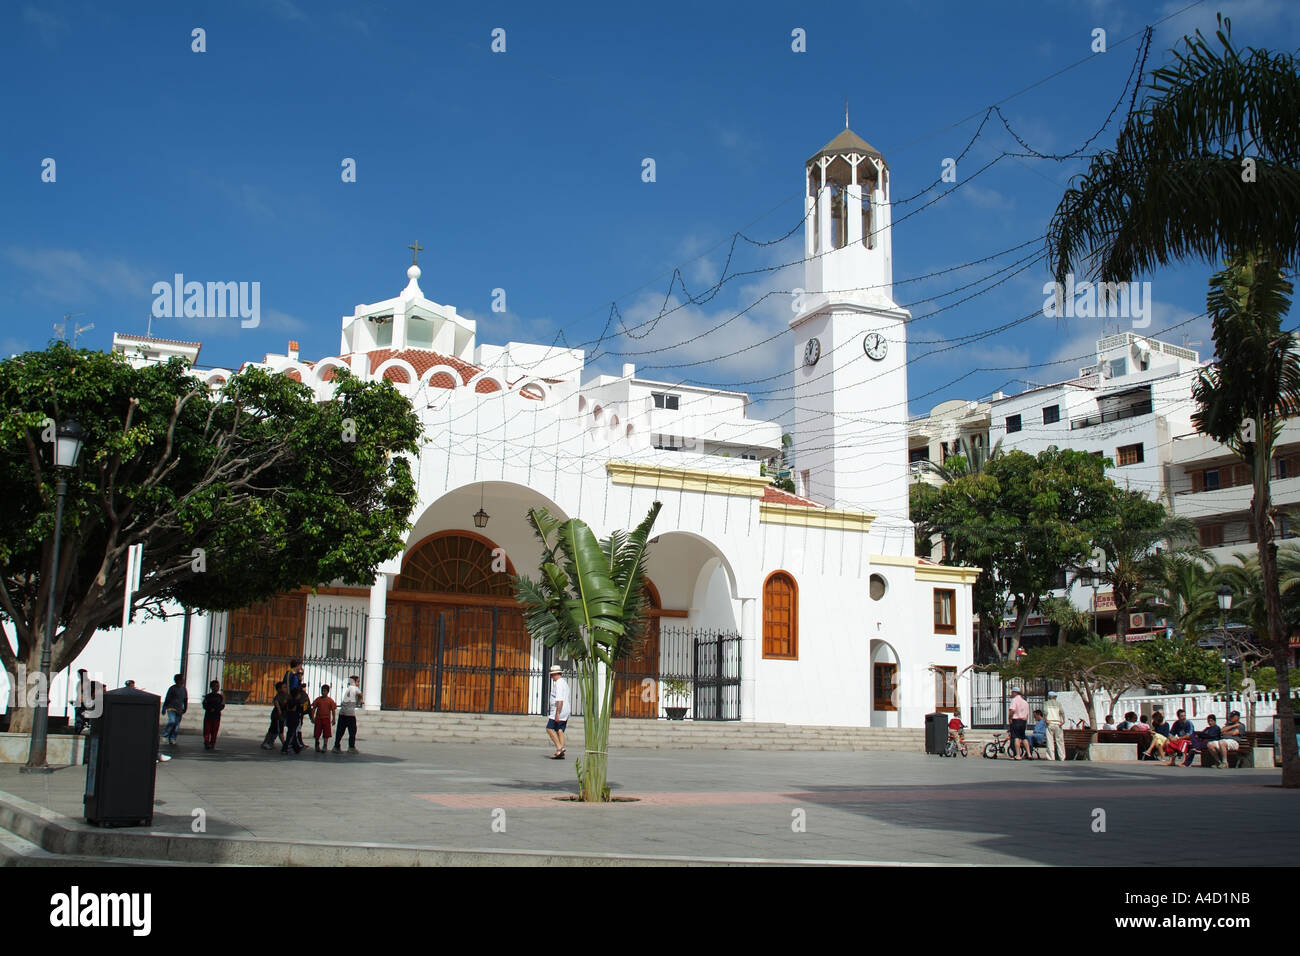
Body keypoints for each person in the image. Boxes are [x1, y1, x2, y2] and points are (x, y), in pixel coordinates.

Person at [546, 665, 570, 759]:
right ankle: (561, 751)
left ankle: (559, 747)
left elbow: (559, 700)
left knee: (549, 729)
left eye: (552, 675)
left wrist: (557, 713)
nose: (552, 677)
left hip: (559, 710)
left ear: (555, 674)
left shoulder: (559, 684)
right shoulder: (564, 683)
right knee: (559, 730)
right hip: (565, 710)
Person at [334, 675, 362, 752]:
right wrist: (360, 701)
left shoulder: (348, 689)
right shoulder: (355, 688)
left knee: (340, 730)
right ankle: (351, 747)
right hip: (350, 714)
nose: (358, 683)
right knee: (353, 730)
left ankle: (336, 746)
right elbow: (360, 694)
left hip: (342, 712)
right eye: (358, 681)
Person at [160, 674, 187, 746]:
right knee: (172, 721)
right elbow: (167, 699)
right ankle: (164, 735)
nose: (183, 680)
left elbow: (185, 699)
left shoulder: (184, 689)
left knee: (176, 725)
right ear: (178, 680)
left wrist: (185, 707)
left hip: (179, 709)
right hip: (171, 707)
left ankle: (172, 738)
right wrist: (164, 708)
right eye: (182, 679)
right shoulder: (172, 688)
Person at [262, 681, 288, 750]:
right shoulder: (278, 697)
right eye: (284, 687)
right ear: (279, 689)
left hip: (278, 717)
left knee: (271, 731)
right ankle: (285, 745)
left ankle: (265, 743)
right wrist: (280, 715)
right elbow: (277, 706)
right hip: (277, 717)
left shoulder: (286, 696)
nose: (285, 689)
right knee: (280, 731)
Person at [282, 683, 307, 755]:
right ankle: (285, 748)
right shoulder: (298, 703)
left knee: (291, 733)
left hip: (289, 719)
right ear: (297, 695)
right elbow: (301, 711)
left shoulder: (289, 701)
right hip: (294, 719)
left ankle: (296, 748)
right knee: (291, 734)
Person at [311, 684, 337, 753]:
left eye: (325, 691)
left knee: (326, 733)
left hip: (326, 719)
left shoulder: (330, 700)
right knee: (317, 732)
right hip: (318, 718)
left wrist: (334, 719)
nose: (323, 692)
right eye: (322, 691)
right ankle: (317, 743)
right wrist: (312, 717)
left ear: (328, 692)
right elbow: (313, 708)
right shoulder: (318, 699)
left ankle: (325, 745)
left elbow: (333, 710)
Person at [201, 680, 225, 750]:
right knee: (207, 730)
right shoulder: (208, 696)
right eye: (215, 686)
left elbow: (222, 705)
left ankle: (212, 743)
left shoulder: (220, 697)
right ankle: (206, 742)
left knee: (215, 731)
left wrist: (216, 709)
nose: (216, 688)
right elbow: (204, 704)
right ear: (211, 687)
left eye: (217, 686)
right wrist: (209, 708)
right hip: (208, 716)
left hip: (216, 716)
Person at [1043, 691, 1066, 761]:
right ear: (1054, 697)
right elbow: (1062, 712)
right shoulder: (1058, 703)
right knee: (1060, 741)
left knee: (1050, 741)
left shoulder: (1046, 703)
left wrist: (1046, 720)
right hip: (1057, 723)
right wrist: (1063, 721)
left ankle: (1051, 757)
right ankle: (1062, 757)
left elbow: (1045, 712)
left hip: (1050, 723)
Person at [1007, 687, 1030, 759]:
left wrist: (1010, 718)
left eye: (1012, 692)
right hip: (1023, 721)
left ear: (1015, 692)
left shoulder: (1014, 700)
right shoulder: (1025, 702)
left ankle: (1018, 755)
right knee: (1023, 737)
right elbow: (1027, 714)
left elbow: (1012, 710)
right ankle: (1029, 754)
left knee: (1016, 737)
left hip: (1016, 720)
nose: (1011, 694)